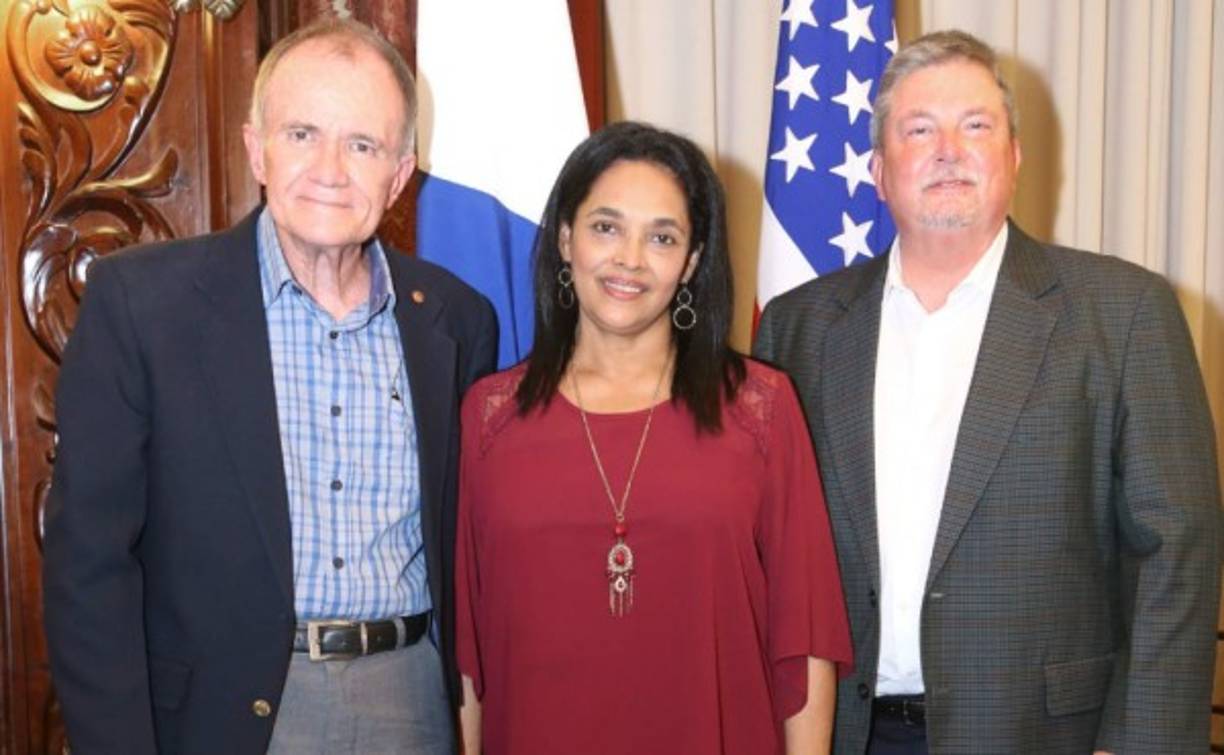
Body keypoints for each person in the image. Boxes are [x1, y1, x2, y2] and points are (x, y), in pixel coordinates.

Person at [754, 28, 1222, 755]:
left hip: (1049, 737)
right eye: (919, 129)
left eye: (976, 125)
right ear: (878, 171)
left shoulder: (1124, 312)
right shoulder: (798, 330)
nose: (948, 149)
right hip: (845, 735)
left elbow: (1177, 554)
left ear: (1014, 156)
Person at [42, 18, 497, 755]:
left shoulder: (456, 320)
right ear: (256, 148)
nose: (330, 168)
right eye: (301, 134)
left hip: (409, 702)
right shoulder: (143, 304)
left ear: (401, 172)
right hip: (218, 713)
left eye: (362, 144)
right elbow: (87, 567)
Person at [453, 121, 852, 754]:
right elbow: (469, 660)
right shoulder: (488, 418)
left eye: (661, 237)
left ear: (692, 261)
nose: (630, 260)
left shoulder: (762, 410)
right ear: (564, 239)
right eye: (605, 227)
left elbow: (804, 647)